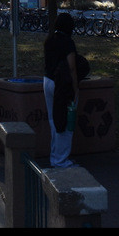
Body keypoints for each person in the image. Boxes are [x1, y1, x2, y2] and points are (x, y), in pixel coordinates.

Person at [43, 11, 81, 168]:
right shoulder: (68, 42)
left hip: (47, 80)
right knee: (65, 121)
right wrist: (75, 88)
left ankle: (55, 155)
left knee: (53, 120)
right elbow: (72, 67)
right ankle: (61, 160)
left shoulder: (49, 40)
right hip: (62, 84)